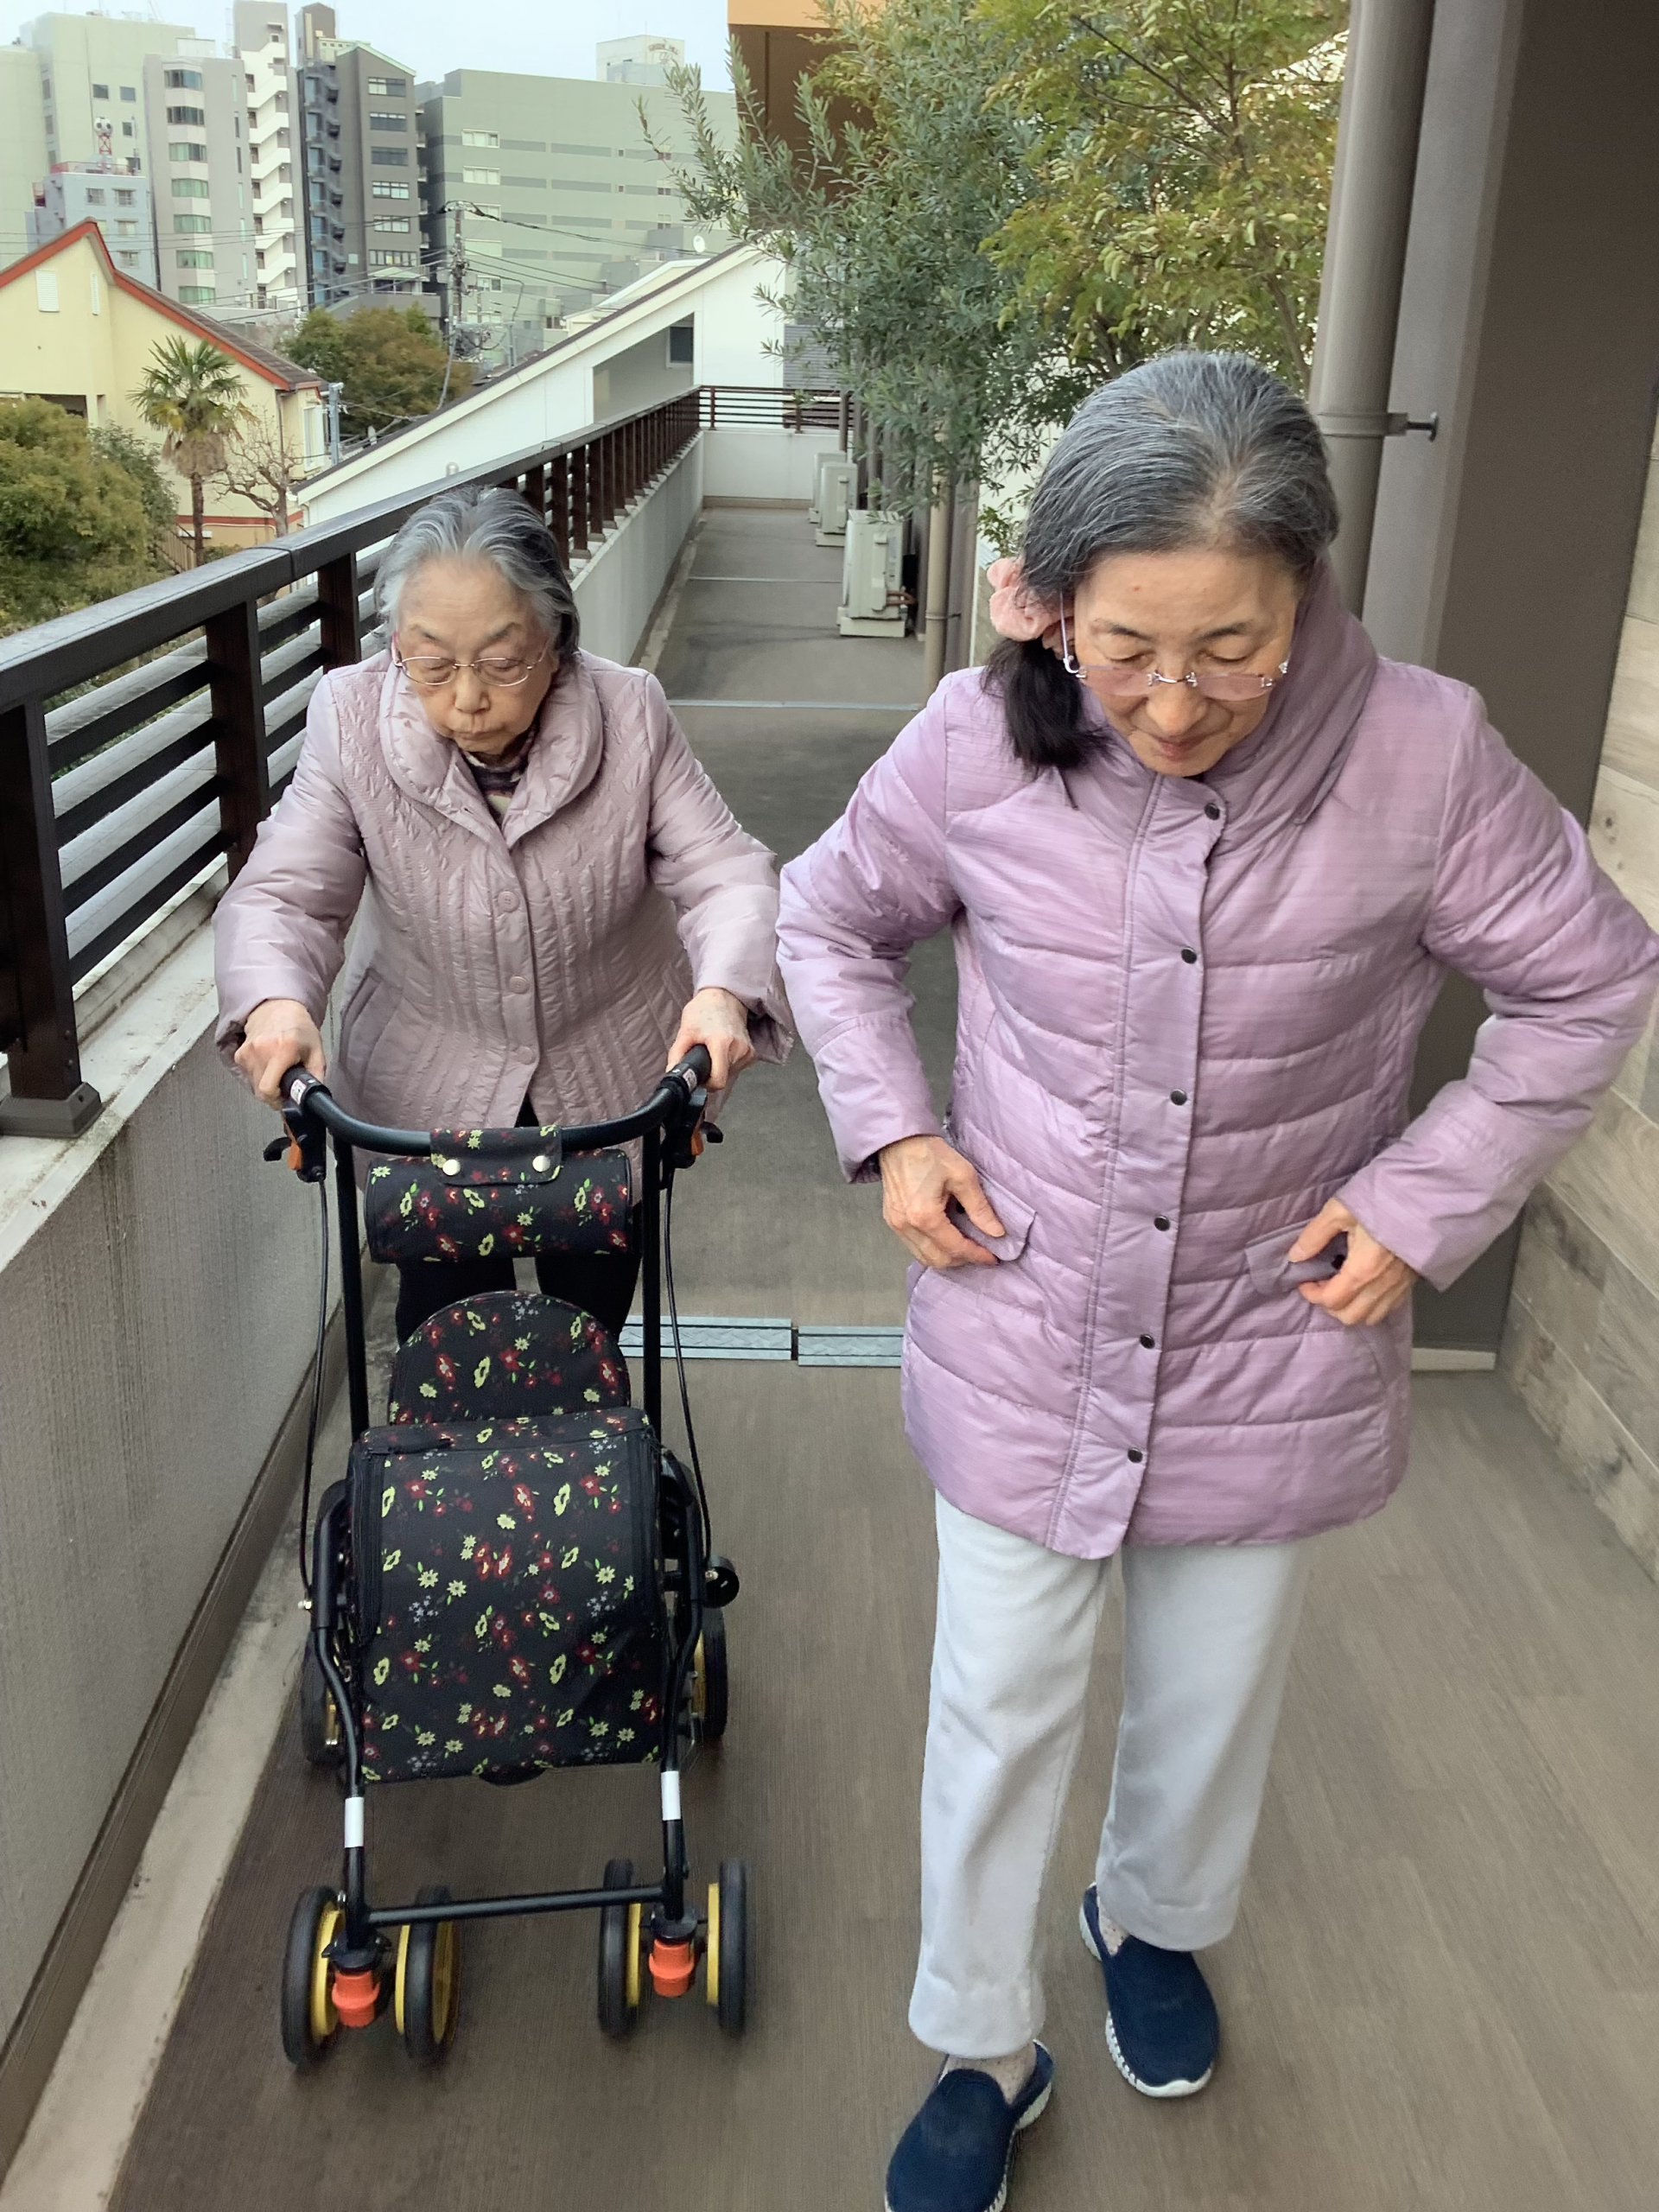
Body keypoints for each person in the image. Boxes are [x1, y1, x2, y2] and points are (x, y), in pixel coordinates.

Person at [775, 352, 1659, 2212]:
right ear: (1053, 606)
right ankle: (981, 2044)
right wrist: (898, 1131)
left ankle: (1154, 1919)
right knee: (998, 1704)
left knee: (1210, 1687)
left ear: (1306, 595)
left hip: (1274, 1327)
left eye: (1232, 651)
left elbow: (1589, 977)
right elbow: (828, 917)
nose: (1175, 704)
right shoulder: (975, 739)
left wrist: (1423, 1200)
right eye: (1126, 650)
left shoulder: (1423, 756)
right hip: (1025, 1311)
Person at [217, 484, 788, 1341]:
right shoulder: (349, 716)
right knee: (441, 1326)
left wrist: (723, 994)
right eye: (431, 663)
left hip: (607, 1077)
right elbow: (287, 892)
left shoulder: (631, 712)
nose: (467, 697)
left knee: (589, 1326)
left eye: (502, 661)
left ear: (556, 641)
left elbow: (726, 874)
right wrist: (275, 1000)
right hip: (427, 1078)